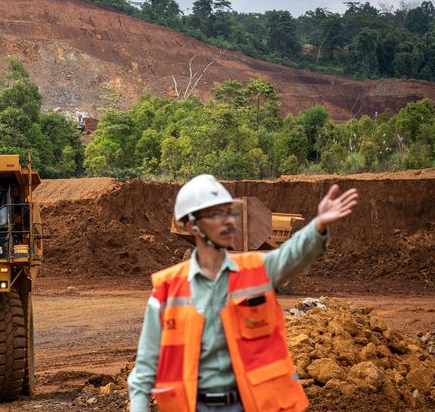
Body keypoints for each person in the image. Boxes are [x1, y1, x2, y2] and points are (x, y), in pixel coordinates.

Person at [128, 174, 358, 412]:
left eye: (230, 212)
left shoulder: (257, 268)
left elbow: (293, 256)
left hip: (248, 405)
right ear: (190, 225)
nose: (228, 221)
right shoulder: (167, 289)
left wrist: (319, 225)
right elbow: (144, 369)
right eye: (217, 214)